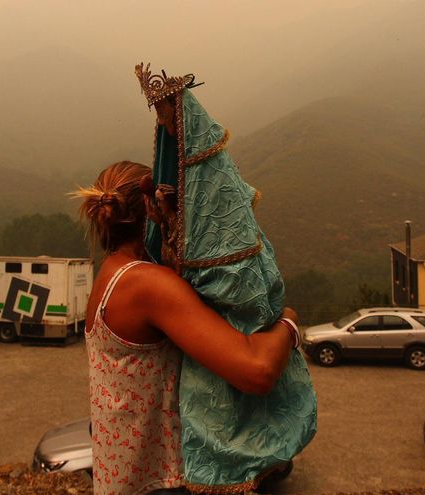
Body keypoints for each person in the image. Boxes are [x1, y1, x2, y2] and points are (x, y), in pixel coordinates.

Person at [134, 63, 317, 493]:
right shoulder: (170, 188)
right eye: (159, 118)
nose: (164, 125)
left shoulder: (213, 183)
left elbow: (239, 264)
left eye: (168, 116)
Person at [73, 160, 301, 495]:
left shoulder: (112, 274)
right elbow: (258, 371)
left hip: (123, 481)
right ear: (150, 205)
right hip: (161, 485)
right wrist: (289, 323)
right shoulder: (147, 284)